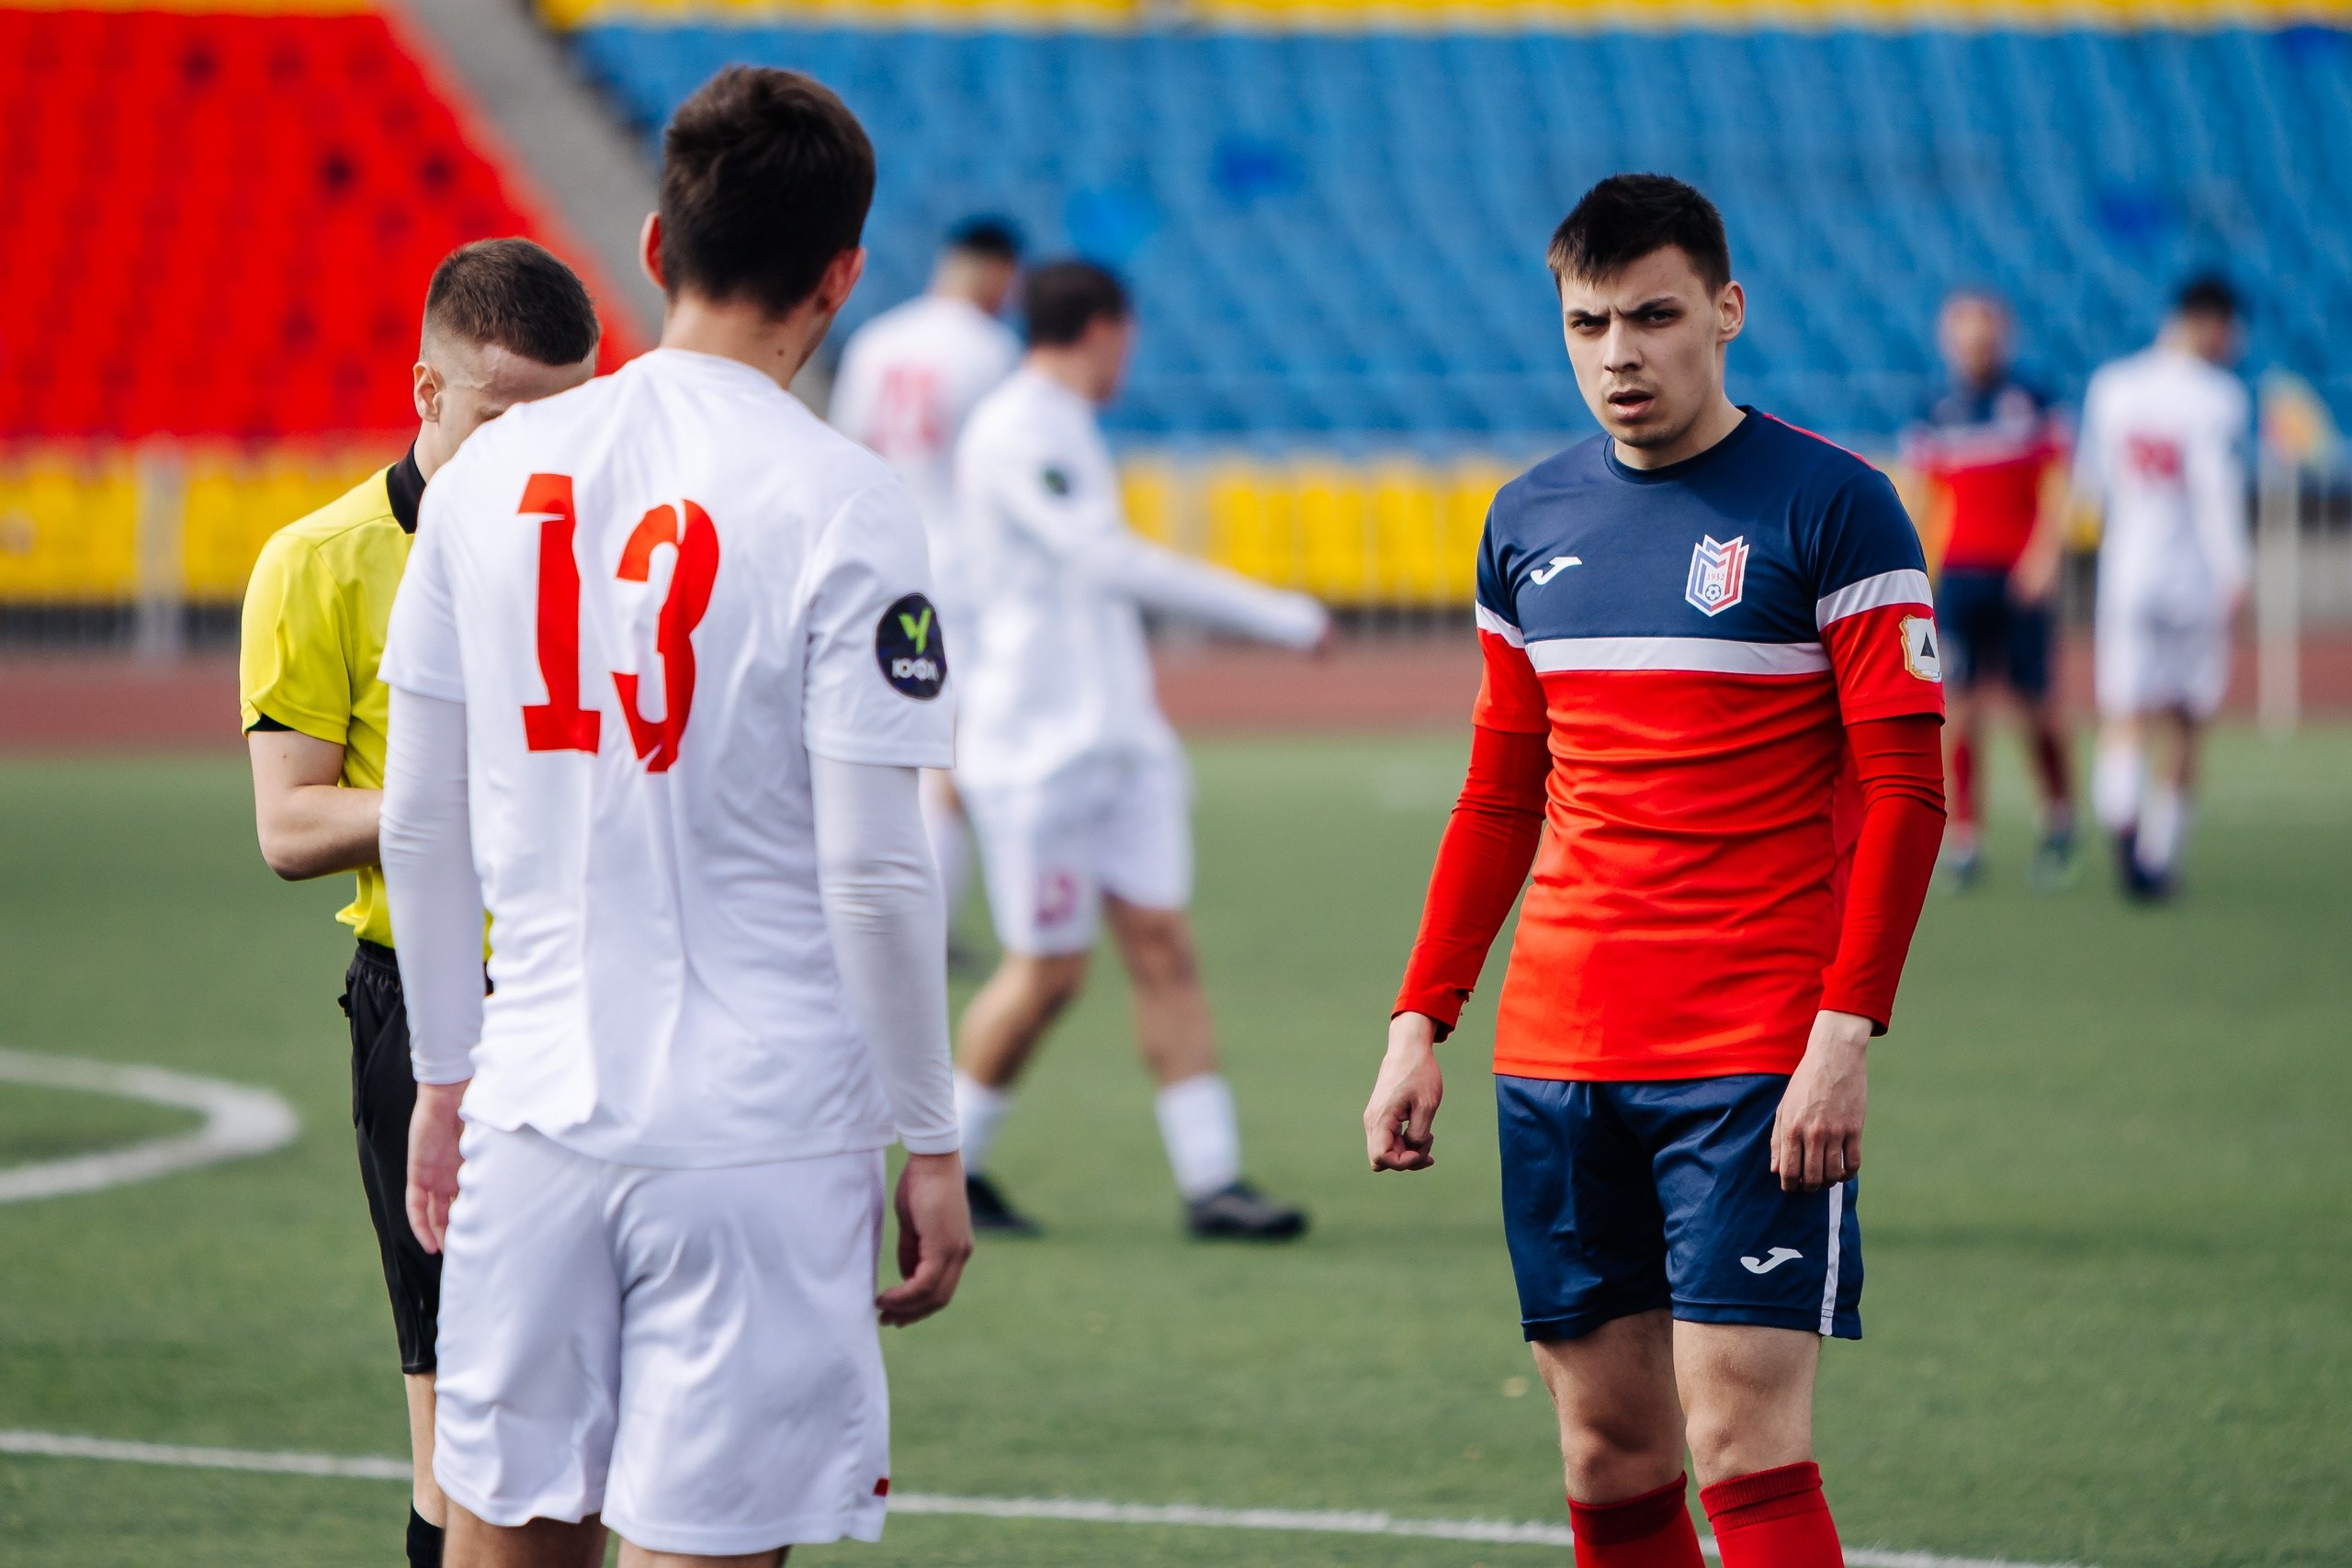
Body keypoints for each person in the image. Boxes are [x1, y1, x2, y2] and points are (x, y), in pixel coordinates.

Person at [378, 66, 971, 1567]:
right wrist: (932, 1134)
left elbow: (424, 824)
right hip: (761, 1135)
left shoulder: (487, 477)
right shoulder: (850, 500)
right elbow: (878, 865)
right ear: (841, 277)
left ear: (652, 249)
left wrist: (448, 1074)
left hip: (534, 1108)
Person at [1363, 175, 1946, 1568]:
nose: (1619, 352)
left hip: (1754, 1052)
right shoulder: (1525, 520)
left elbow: (1908, 788)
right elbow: (1502, 792)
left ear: (1727, 313)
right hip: (1559, 1056)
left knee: (1746, 1438)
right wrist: (1417, 1018)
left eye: (1653, 316)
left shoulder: (1838, 508)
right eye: (1587, 322)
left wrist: (1845, 1030)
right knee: (1610, 1454)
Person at [239, 237, 601, 1568]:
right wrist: (467, 808)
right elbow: (288, 824)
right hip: (430, 1017)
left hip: (598, 995)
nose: (541, 451)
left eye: (570, 415)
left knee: (597, 1418)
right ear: (428, 394)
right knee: (464, 1431)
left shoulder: (618, 545)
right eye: (507, 419)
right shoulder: (321, 561)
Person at [950, 260, 1329, 1241]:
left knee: (1163, 946)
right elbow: (1101, 559)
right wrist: (1275, 615)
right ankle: (950, 1163)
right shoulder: (1018, 428)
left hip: (1113, 741)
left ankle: (1214, 1181)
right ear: (1106, 329)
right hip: (1039, 751)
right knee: (1047, 973)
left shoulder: (1059, 427)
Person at [831, 217, 1023, 937]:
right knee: (949, 755)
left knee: (888, 747)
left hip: (878, 560)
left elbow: (848, 451)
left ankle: (891, 915)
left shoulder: (877, 340)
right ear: (996, 272)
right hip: (956, 572)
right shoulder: (993, 351)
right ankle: (924, 926)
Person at [2075, 276, 2251, 902]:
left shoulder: (2112, 386)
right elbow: (2216, 491)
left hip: (2129, 570)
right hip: (2193, 576)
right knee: (2187, 718)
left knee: (2124, 712)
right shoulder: (2219, 396)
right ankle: (2158, 854)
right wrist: (2237, 570)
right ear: (2212, 322)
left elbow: (2088, 485)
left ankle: (2122, 830)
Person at [1901, 289, 2075, 890]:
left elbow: (2057, 488)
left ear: (2001, 335)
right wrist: (1916, 573)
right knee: (1960, 710)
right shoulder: (1934, 409)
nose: (1975, 345)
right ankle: (1966, 835)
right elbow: (1923, 501)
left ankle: (2058, 818)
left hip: (2019, 577)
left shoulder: (2031, 400)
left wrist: (2046, 555)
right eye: (1963, 333)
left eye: (1984, 333)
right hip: (1960, 579)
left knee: (2036, 708)